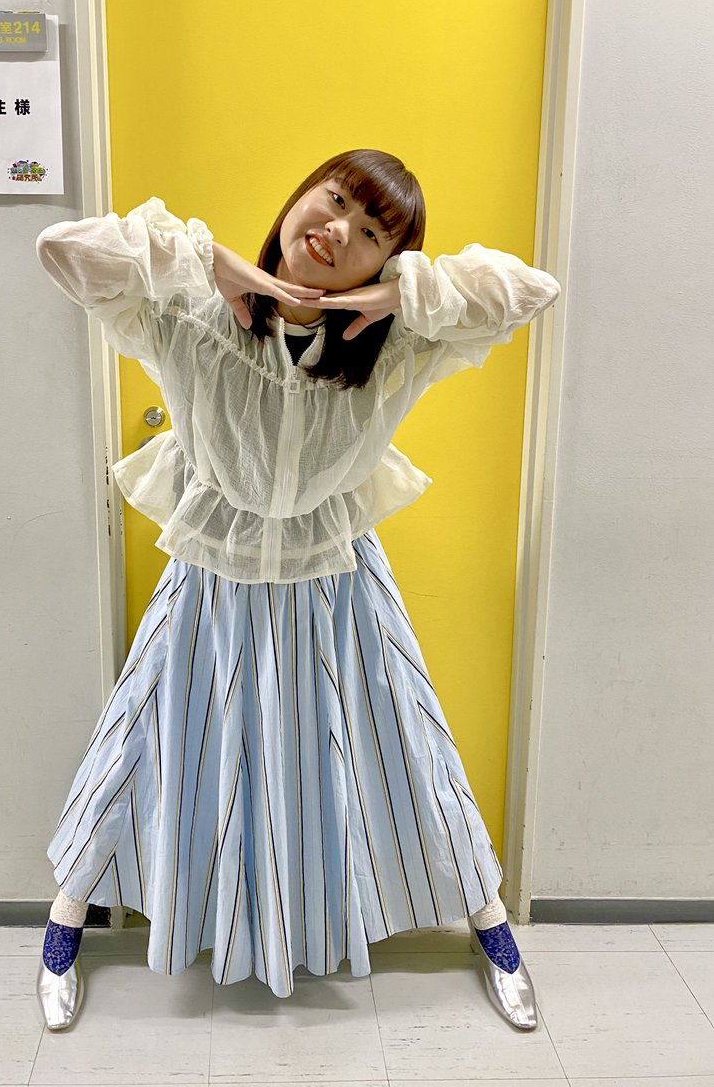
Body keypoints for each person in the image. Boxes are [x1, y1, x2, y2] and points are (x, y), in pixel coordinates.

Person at [33, 148, 561, 1032]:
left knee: (408, 744)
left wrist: (401, 295)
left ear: (385, 261)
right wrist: (211, 259)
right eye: (336, 198)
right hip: (210, 572)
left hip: (339, 582)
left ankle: (492, 927)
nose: (338, 229)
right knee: (140, 738)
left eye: (372, 233)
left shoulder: (397, 345)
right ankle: (64, 922)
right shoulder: (191, 311)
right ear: (303, 193)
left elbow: (532, 289)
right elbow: (62, 249)